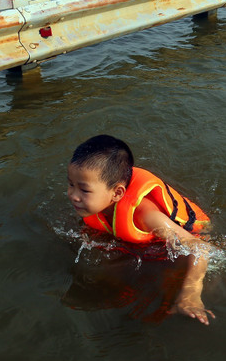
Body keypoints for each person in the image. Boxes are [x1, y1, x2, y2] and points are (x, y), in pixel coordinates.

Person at [66, 134, 216, 325]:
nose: (73, 195)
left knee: (167, 292)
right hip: (141, 243)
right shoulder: (94, 203)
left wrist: (191, 292)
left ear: (117, 193)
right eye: (71, 184)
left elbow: (200, 247)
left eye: (84, 190)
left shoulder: (145, 216)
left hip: (195, 234)